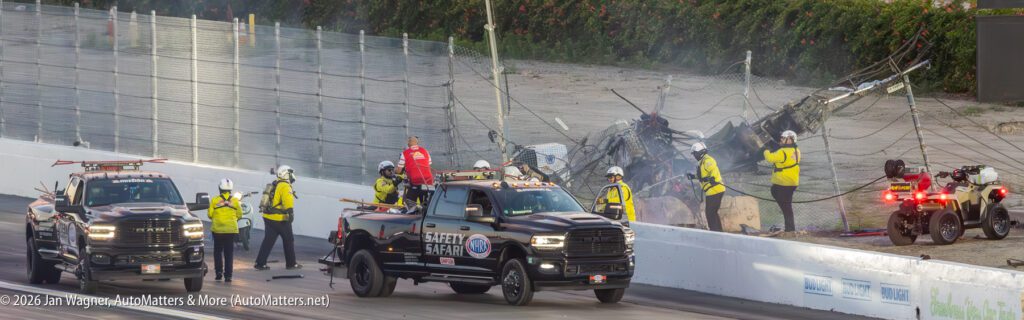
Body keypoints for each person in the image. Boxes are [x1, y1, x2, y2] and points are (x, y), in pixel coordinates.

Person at [255, 165, 301, 270]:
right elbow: (287, 202)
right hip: (279, 219)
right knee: (289, 239)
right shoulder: (285, 186)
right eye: (290, 173)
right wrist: (291, 214)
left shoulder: (275, 183)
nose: (292, 175)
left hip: (268, 217)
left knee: (268, 240)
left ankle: (260, 263)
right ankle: (291, 263)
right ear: (285, 174)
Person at [764, 130, 800, 232]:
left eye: (783, 138)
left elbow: (770, 158)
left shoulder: (782, 152)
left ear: (790, 140)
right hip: (792, 182)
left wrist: (766, 150)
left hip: (784, 182)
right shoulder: (796, 150)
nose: (781, 140)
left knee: (786, 207)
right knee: (777, 194)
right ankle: (789, 227)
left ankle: (790, 229)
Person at [209, 179, 243, 282]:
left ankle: (218, 272)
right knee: (229, 253)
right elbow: (240, 215)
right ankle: (228, 276)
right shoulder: (236, 201)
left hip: (218, 230)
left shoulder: (215, 200)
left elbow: (210, 214)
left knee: (218, 251)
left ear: (220, 189)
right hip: (231, 230)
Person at [687, 142, 725, 231]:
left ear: (699, 152)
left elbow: (712, 169)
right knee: (713, 213)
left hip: (714, 189)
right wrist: (693, 176)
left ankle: (715, 233)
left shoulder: (707, 160)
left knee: (710, 213)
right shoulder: (702, 162)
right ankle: (719, 232)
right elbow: (704, 176)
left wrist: (712, 178)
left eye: (695, 154)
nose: (694, 156)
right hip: (714, 190)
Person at [397, 136, 433, 207]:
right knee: (426, 204)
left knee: (410, 203)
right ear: (417, 143)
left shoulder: (405, 153)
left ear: (409, 143)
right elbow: (429, 164)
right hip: (428, 181)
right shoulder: (425, 151)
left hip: (415, 181)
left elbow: (398, 171)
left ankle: (411, 213)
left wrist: (394, 171)